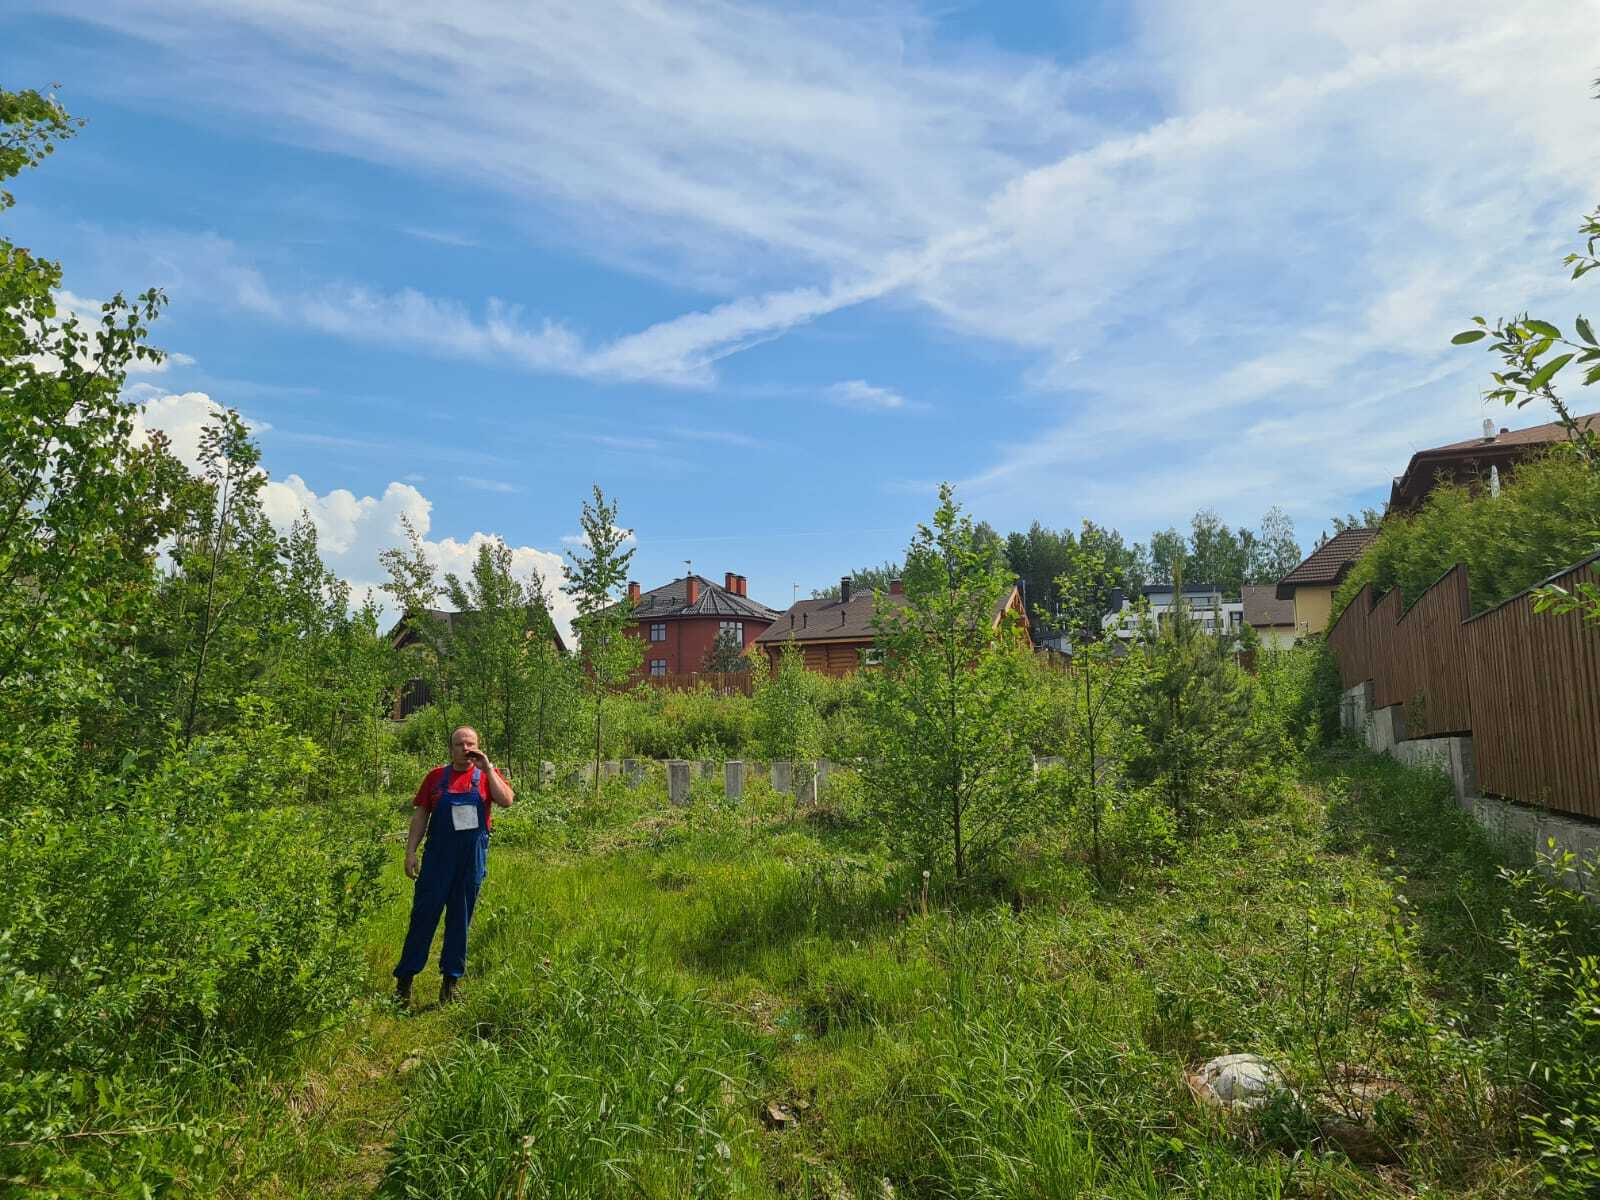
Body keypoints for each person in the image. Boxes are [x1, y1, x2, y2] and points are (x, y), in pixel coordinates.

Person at [393, 725, 514, 1006]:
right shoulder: (436, 777)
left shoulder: (486, 776)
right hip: (437, 861)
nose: (465, 749)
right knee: (423, 918)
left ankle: (450, 985)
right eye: (460, 744)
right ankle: (404, 983)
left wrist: (488, 769)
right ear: (451, 748)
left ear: (478, 746)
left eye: (471, 744)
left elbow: (506, 801)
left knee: (460, 921)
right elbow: (421, 816)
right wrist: (410, 852)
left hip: (469, 862)